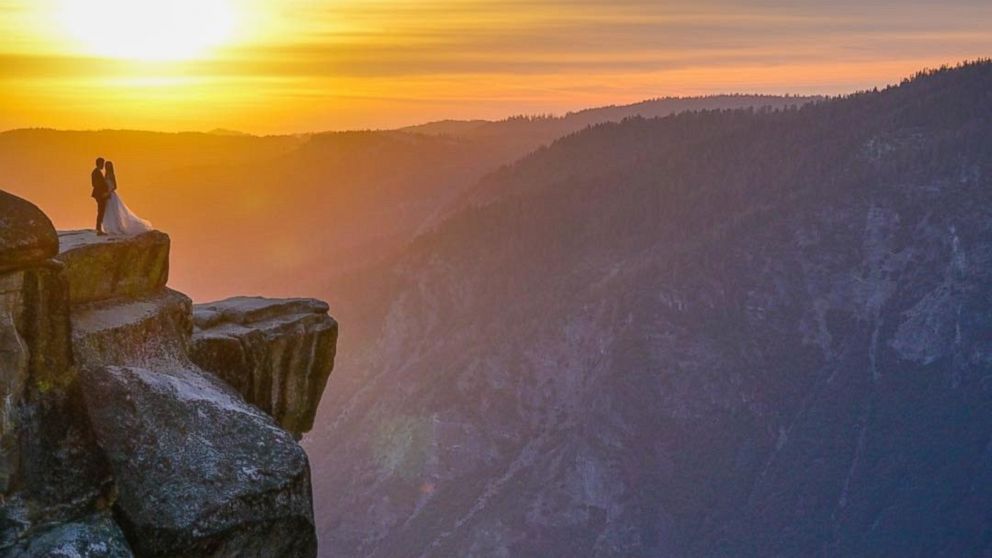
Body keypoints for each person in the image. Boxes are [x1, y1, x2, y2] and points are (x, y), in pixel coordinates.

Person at [101, 160, 153, 235]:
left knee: (115, 211)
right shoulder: (105, 175)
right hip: (107, 195)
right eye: (106, 165)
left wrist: (109, 192)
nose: (107, 167)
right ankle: (110, 227)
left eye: (109, 165)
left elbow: (115, 186)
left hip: (111, 195)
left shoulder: (112, 175)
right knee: (109, 211)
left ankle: (117, 227)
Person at [90, 157, 110, 235]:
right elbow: (96, 184)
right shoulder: (96, 172)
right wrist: (103, 193)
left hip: (99, 194)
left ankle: (99, 228)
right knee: (101, 211)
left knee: (101, 211)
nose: (103, 166)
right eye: (102, 164)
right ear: (99, 163)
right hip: (100, 195)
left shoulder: (96, 172)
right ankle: (99, 229)